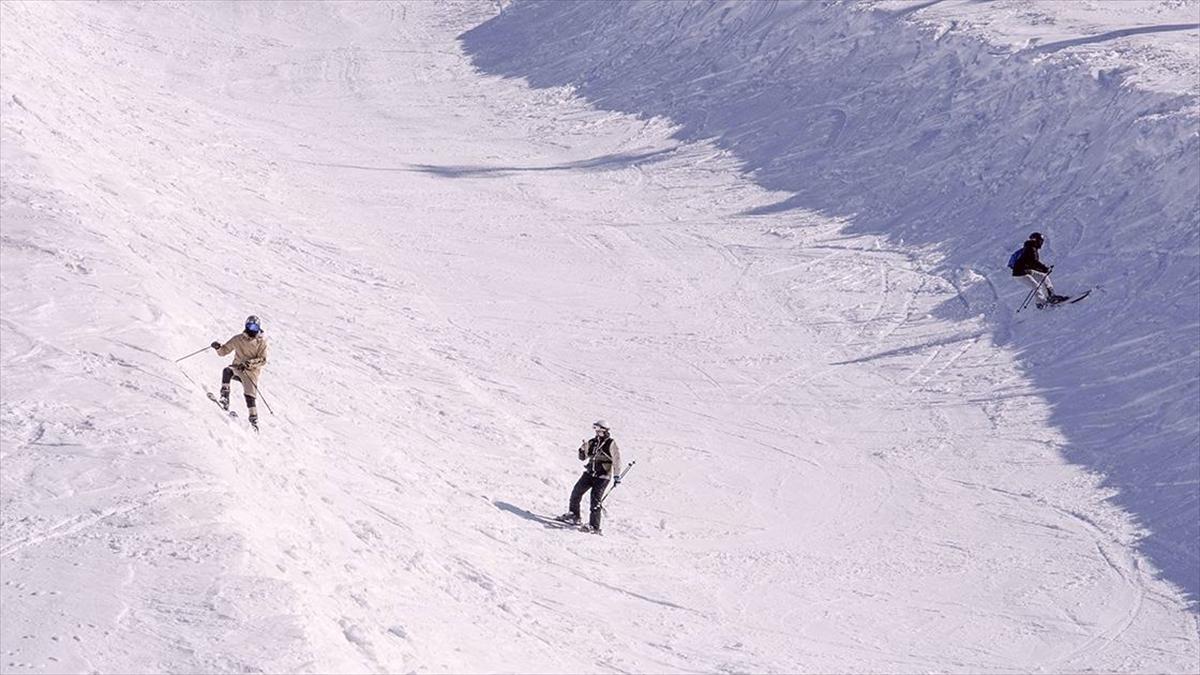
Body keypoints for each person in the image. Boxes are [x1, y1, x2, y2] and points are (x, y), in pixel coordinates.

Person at [558, 420, 622, 533]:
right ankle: (574, 515)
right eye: (596, 430)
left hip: (602, 476)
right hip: (589, 473)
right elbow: (583, 458)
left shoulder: (611, 443)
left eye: (600, 431)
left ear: (605, 431)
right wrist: (582, 450)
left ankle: (594, 526)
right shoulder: (592, 442)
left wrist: (617, 476)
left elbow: (616, 459)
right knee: (576, 492)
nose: (597, 433)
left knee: (595, 500)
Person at [211, 315, 268, 430]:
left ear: (258, 328)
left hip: (250, 373)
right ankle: (224, 399)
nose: (251, 329)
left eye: (254, 327)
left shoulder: (261, 342)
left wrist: (248, 364)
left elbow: (263, 360)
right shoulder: (238, 339)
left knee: (249, 396)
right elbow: (224, 351)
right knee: (227, 371)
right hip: (237, 368)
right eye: (249, 326)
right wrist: (218, 347)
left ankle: (253, 420)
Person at [1012, 232, 1068, 307]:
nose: (1041, 243)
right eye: (1041, 241)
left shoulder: (1031, 247)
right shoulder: (1030, 248)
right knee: (1036, 286)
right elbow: (1033, 262)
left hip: (1027, 271)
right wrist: (1044, 268)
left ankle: (1051, 296)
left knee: (1043, 276)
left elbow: (1032, 263)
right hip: (1020, 273)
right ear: (1036, 240)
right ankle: (1041, 303)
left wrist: (1043, 269)